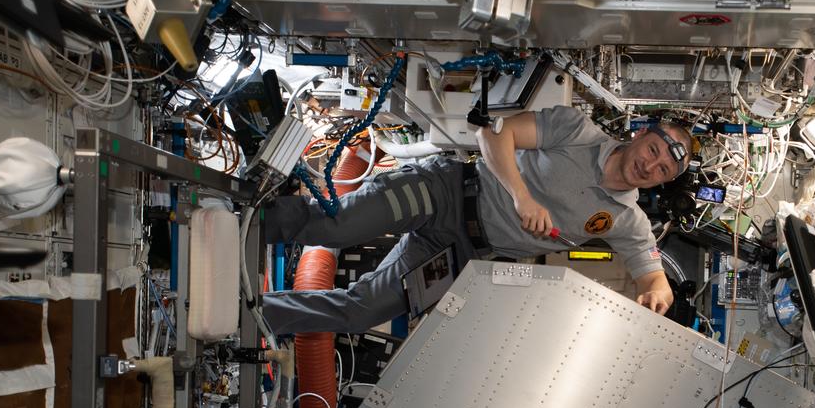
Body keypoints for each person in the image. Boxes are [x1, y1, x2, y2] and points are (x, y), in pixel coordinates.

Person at [259, 105, 691, 334]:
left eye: (664, 172)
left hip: (460, 251)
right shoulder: (577, 130)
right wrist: (521, 197)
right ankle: (247, 219)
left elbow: (654, 279)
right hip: (444, 192)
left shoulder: (627, 221)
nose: (651, 167)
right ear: (640, 135)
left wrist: (656, 298)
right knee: (336, 228)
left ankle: (251, 316)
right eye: (653, 151)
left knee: (360, 313)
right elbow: (493, 133)